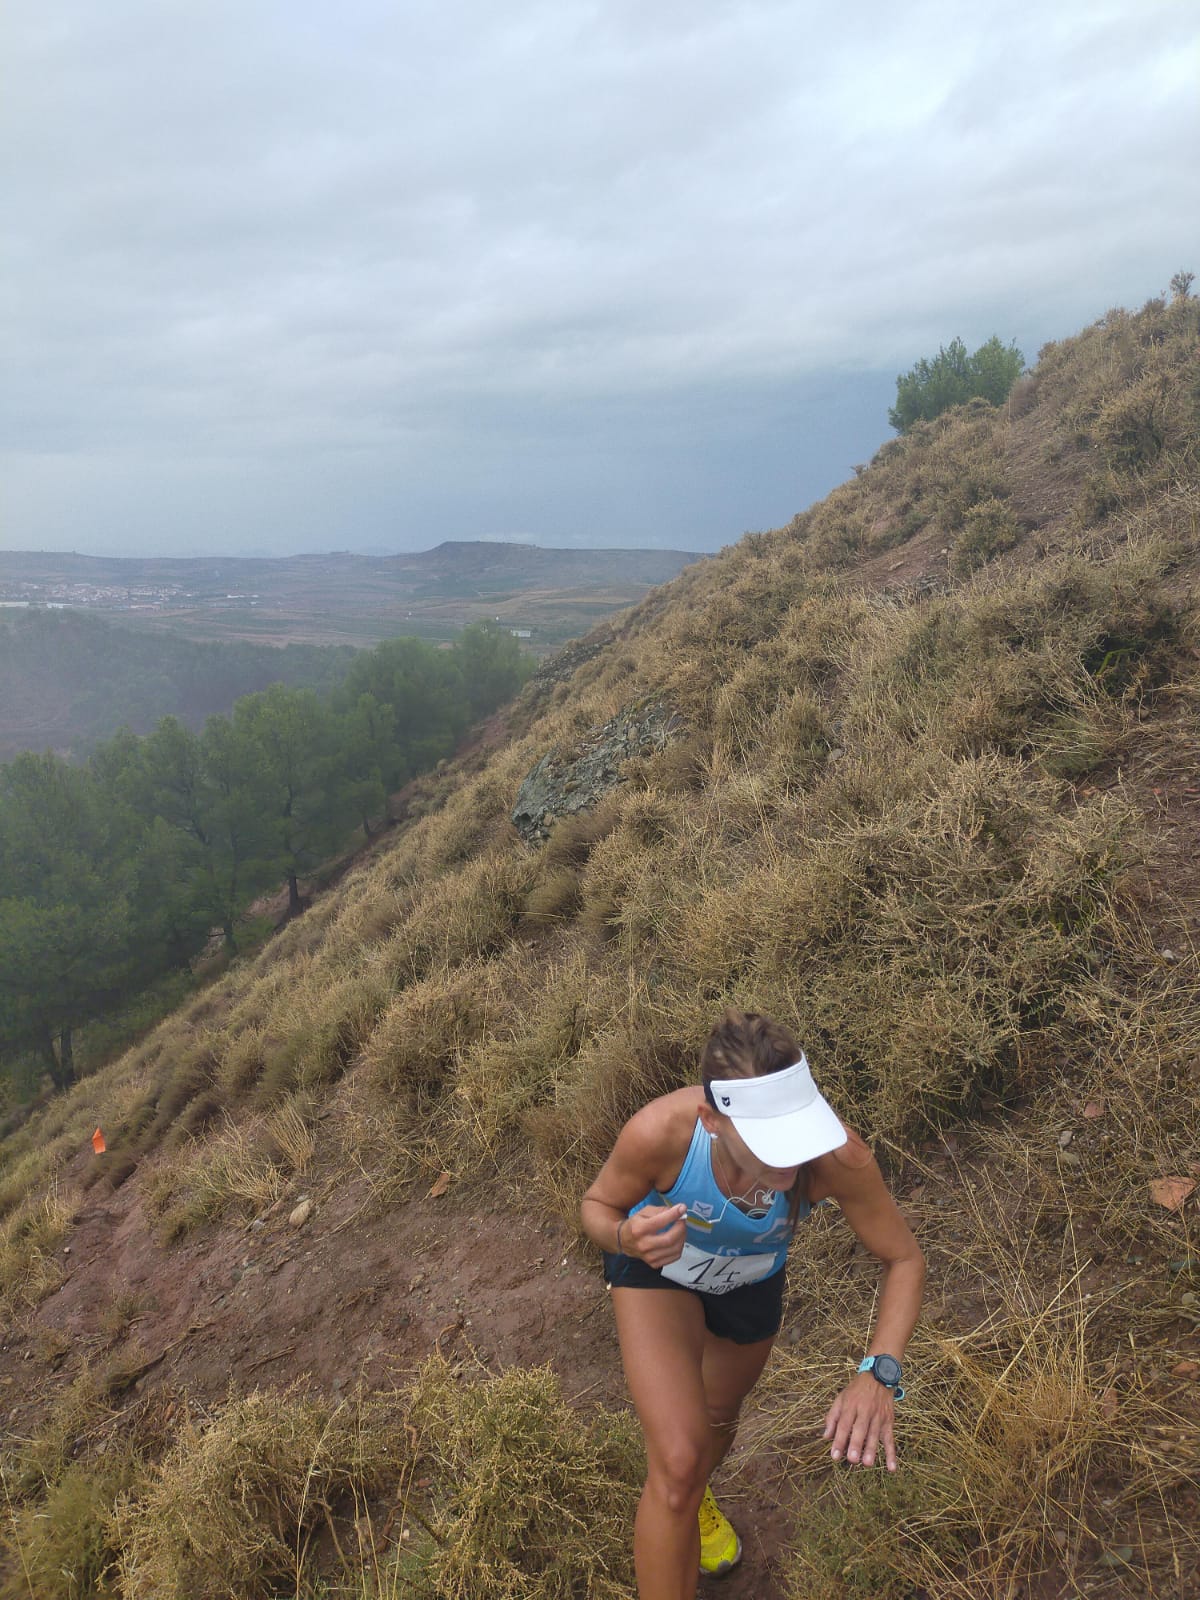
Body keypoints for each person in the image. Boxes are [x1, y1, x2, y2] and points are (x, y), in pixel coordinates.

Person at [581, 1009, 925, 1600]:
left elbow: (904, 1259)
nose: (789, 1162)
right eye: (770, 1145)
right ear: (711, 1120)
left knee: (717, 1421)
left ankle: (695, 1498)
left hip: (751, 1281)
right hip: (657, 1270)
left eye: (797, 1135)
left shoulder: (837, 1157)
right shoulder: (660, 1133)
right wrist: (624, 1238)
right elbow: (596, 1206)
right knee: (680, 1461)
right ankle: (682, 1495)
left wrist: (879, 1373)